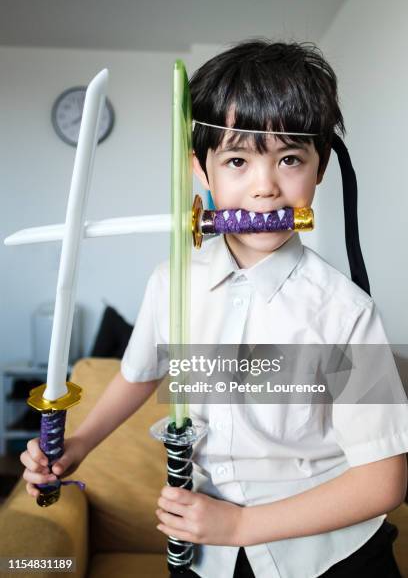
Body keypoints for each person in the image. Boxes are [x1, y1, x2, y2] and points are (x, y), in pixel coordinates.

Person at [20, 40, 408, 578]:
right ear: (200, 171)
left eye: (290, 158)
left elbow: (382, 481)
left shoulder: (345, 311)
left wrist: (240, 527)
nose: (266, 187)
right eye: (237, 160)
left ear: (320, 169)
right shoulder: (171, 284)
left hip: (331, 559)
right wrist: (78, 445)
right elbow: (141, 375)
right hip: (207, 557)